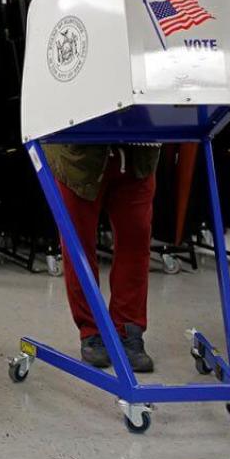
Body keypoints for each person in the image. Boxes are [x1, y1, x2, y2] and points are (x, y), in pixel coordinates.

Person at [44, 143, 160, 372]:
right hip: (77, 157)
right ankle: (91, 332)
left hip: (138, 153)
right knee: (78, 248)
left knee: (135, 245)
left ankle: (129, 331)